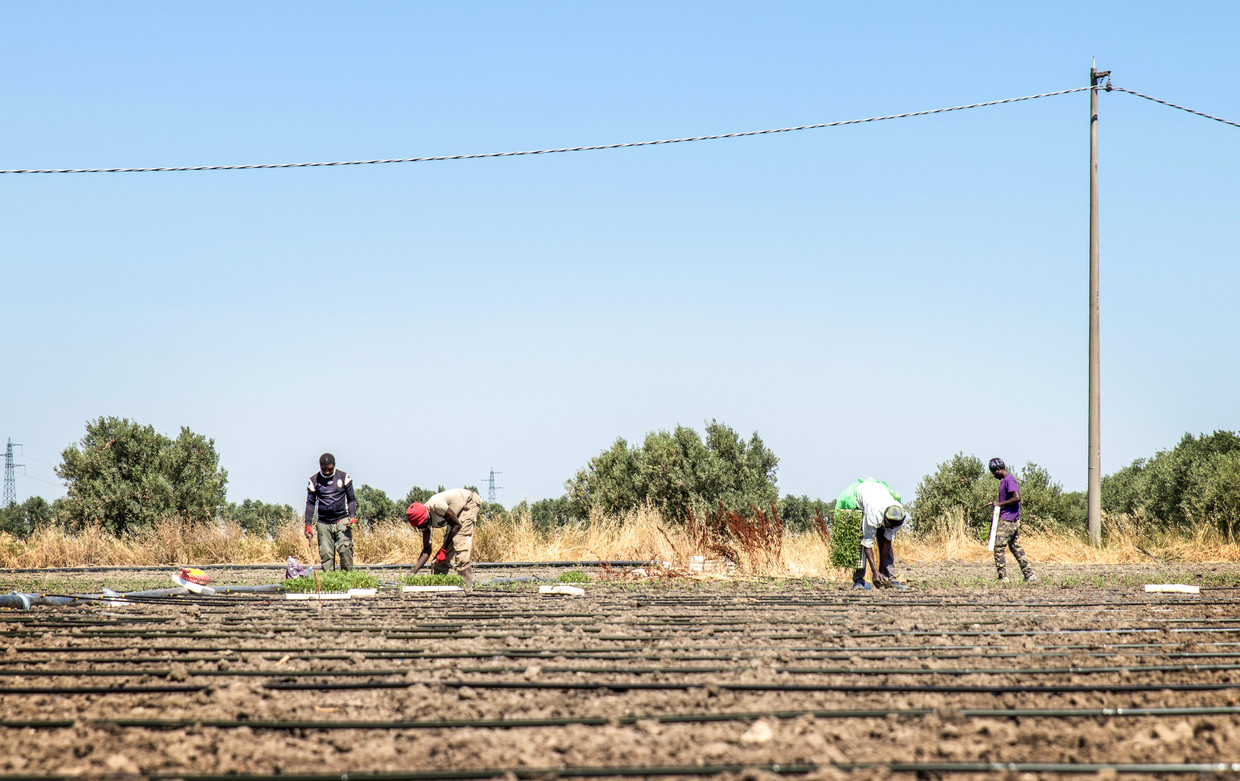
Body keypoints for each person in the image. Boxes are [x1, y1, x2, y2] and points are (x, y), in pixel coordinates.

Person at [406, 488, 482, 587]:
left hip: (469, 503)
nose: (420, 527)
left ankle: (466, 586)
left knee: (460, 542)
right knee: (439, 560)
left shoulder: (436, 505)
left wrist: (443, 548)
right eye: (418, 526)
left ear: (425, 517)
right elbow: (426, 550)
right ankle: (438, 586)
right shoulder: (424, 522)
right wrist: (413, 572)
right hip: (455, 516)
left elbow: (457, 526)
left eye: (420, 524)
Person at [304, 453, 358, 572]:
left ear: (334, 466)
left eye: (330, 469)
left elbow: (352, 499)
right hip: (323, 522)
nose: (327, 472)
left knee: (345, 550)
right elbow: (310, 503)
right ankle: (330, 582)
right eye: (324, 469)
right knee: (326, 554)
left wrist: (352, 517)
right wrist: (308, 524)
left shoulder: (344, 477)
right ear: (320, 467)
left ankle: (348, 579)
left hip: (342, 520)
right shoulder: (314, 481)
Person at [853, 480, 909, 590]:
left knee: (886, 543)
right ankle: (859, 580)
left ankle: (889, 578)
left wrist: (881, 569)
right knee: (860, 543)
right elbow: (867, 544)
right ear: (885, 520)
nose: (893, 529)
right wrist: (875, 572)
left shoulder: (898, 515)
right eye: (890, 526)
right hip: (864, 501)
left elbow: (887, 542)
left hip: (880, 497)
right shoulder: (873, 514)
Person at [987, 458, 1036, 582]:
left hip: (1008, 519)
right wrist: (996, 503)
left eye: (993, 473)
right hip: (1011, 518)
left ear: (998, 470)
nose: (993, 475)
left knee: (998, 547)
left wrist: (999, 504)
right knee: (1016, 547)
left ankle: (1002, 577)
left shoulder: (1009, 480)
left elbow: (1017, 497)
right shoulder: (1005, 481)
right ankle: (1029, 575)